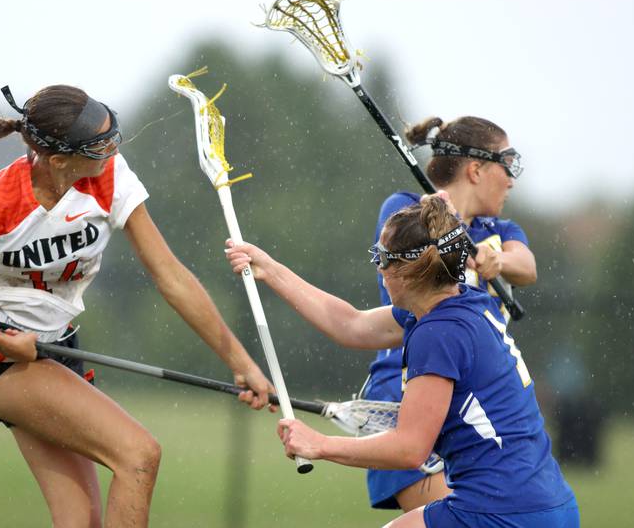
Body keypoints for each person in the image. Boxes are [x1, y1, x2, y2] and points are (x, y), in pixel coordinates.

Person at [0, 58, 274, 528]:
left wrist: (241, 363)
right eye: (98, 147)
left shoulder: (109, 177)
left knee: (80, 519)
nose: (111, 151)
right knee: (138, 455)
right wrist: (0, 340)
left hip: (53, 349)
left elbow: (171, 277)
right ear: (57, 160)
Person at [225, 196, 578, 528]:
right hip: (547, 504)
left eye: (382, 257)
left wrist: (318, 444)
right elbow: (352, 325)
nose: (379, 268)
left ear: (409, 272)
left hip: (502, 511)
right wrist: (270, 270)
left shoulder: (436, 334)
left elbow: (410, 448)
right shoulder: (462, 301)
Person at [362, 115, 538, 511]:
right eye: (505, 165)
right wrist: (450, 231)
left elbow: (526, 267)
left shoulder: (500, 230)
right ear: (476, 169)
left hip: (472, 403)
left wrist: (497, 260)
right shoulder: (408, 213)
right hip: (411, 388)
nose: (511, 179)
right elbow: (411, 292)